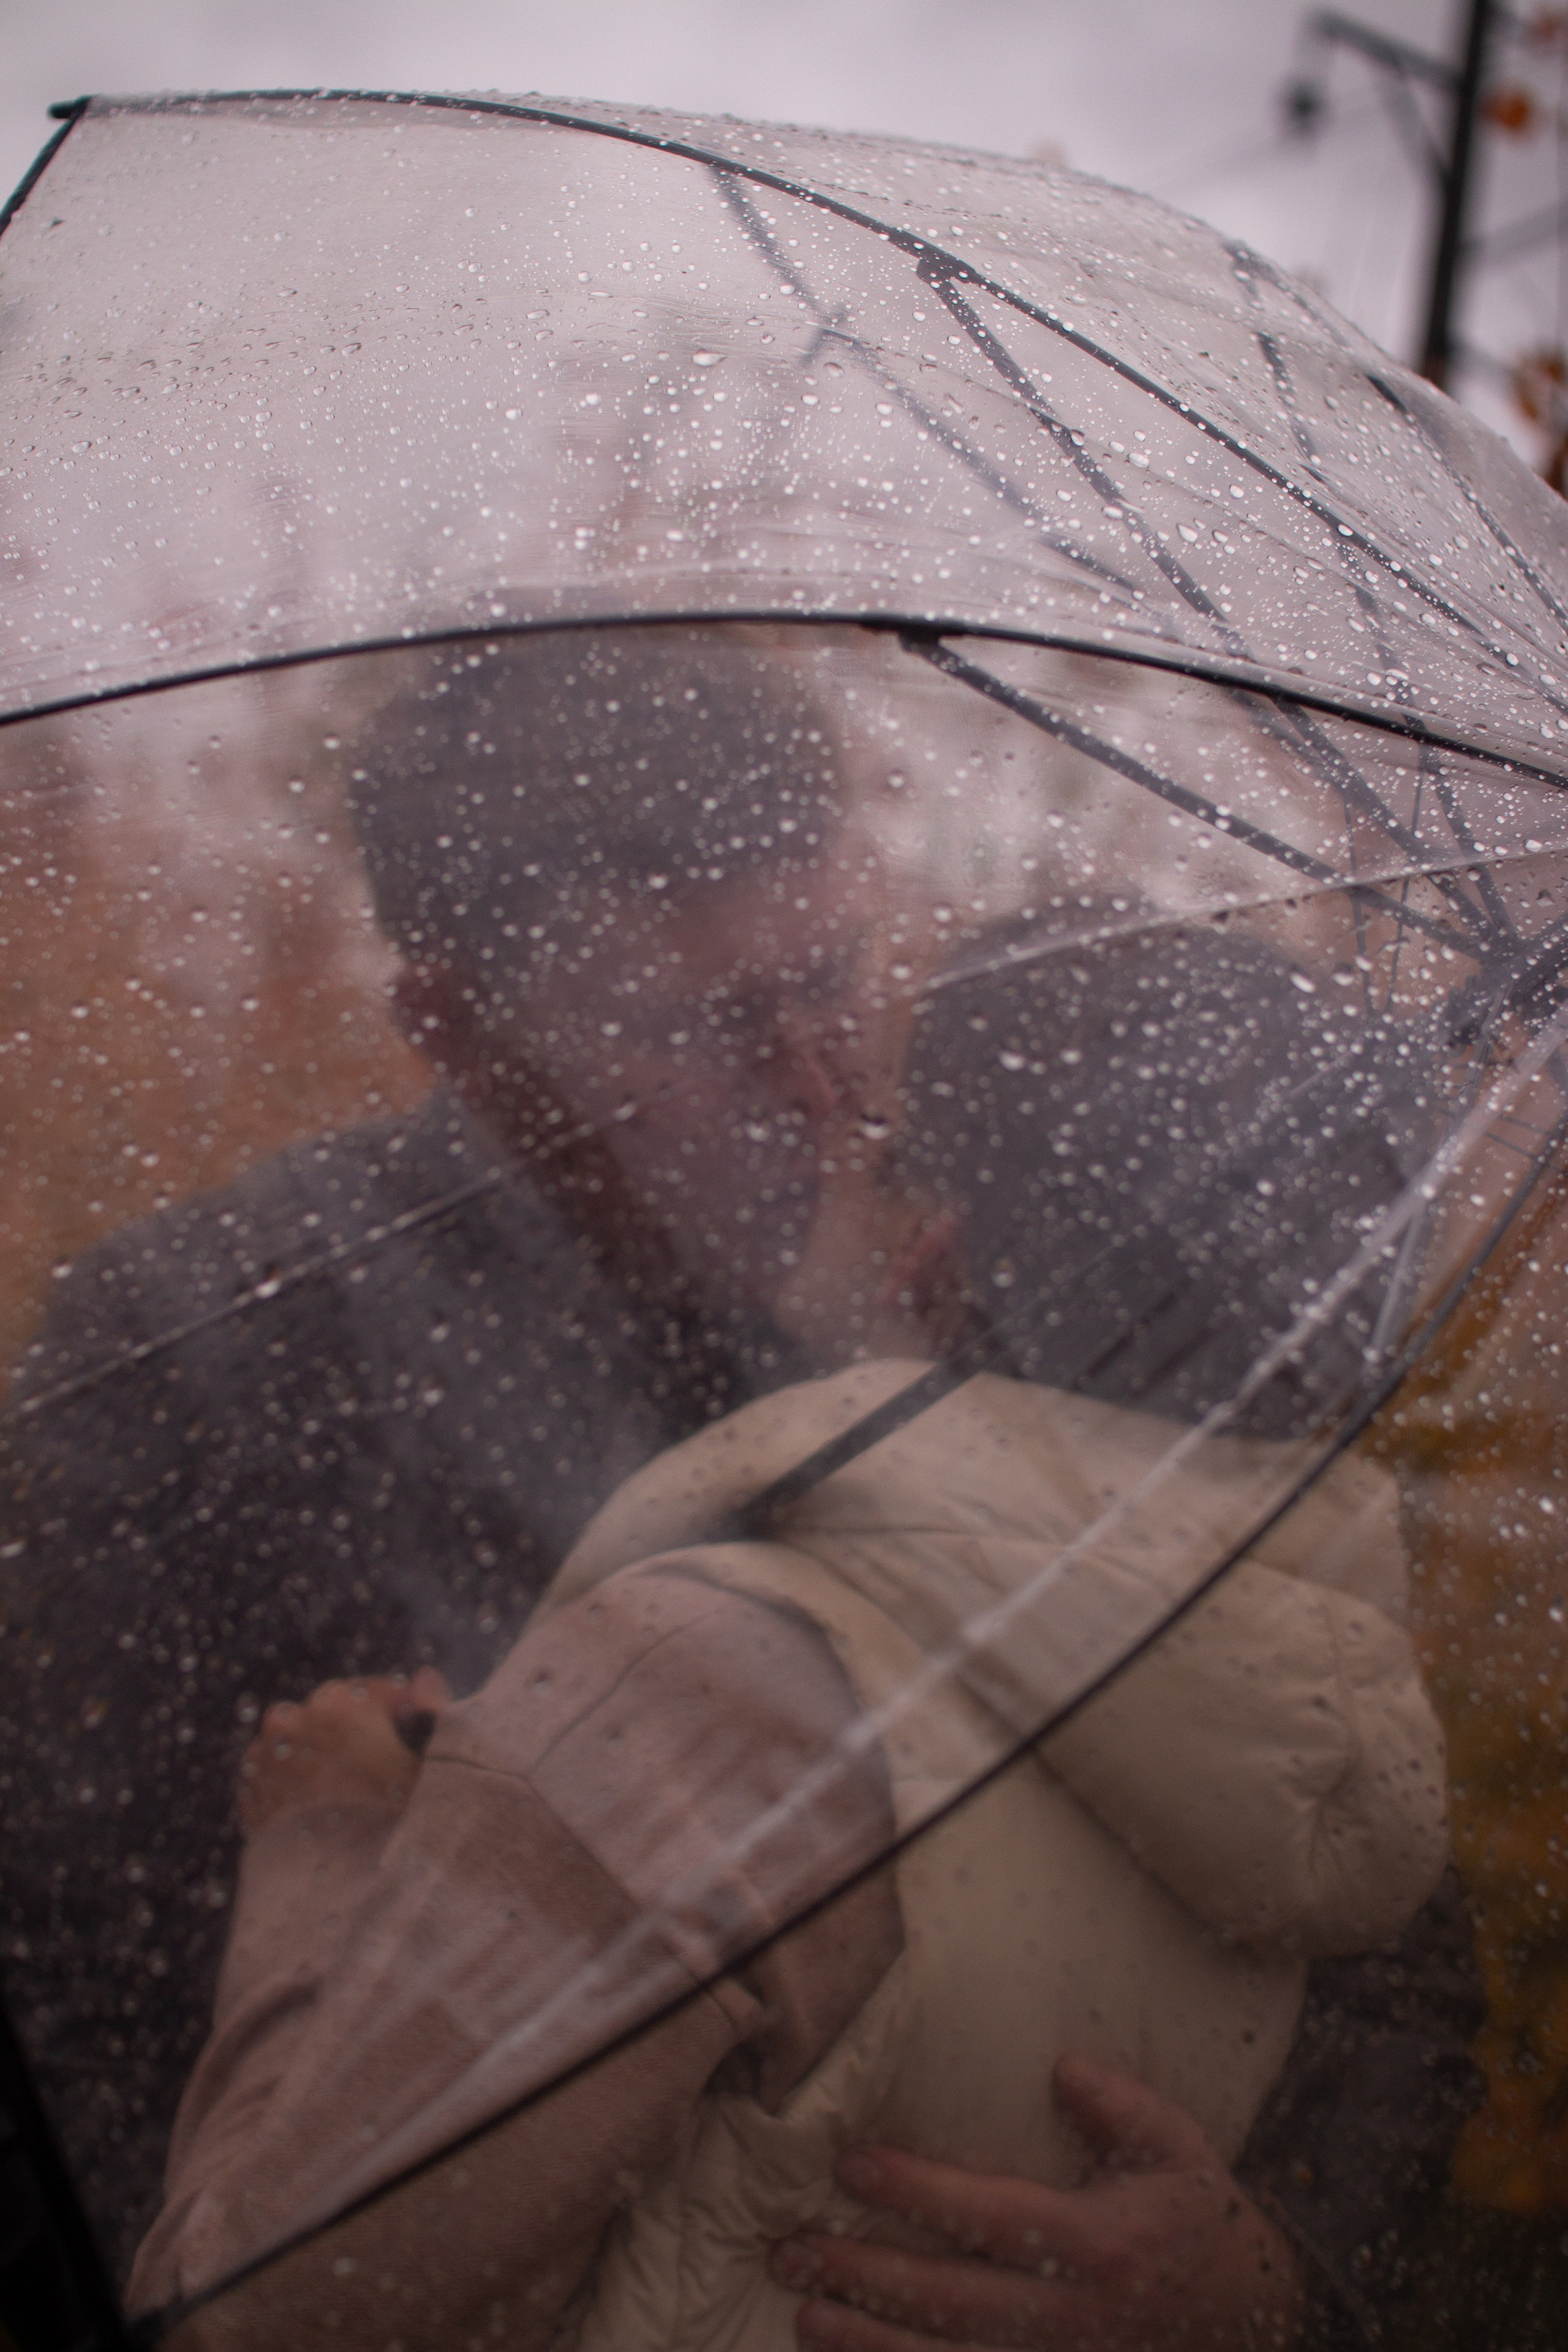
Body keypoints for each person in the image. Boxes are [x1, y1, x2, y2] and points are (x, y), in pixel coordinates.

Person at [0, 627, 1481, 2343]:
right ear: (453, 1028)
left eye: (833, 976)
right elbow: (63, 1980)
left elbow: (1350, 1874)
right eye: (699, 1024)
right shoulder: (202, 1359)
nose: (819, 1078)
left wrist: (1273, 2274)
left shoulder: (1007, 1294)